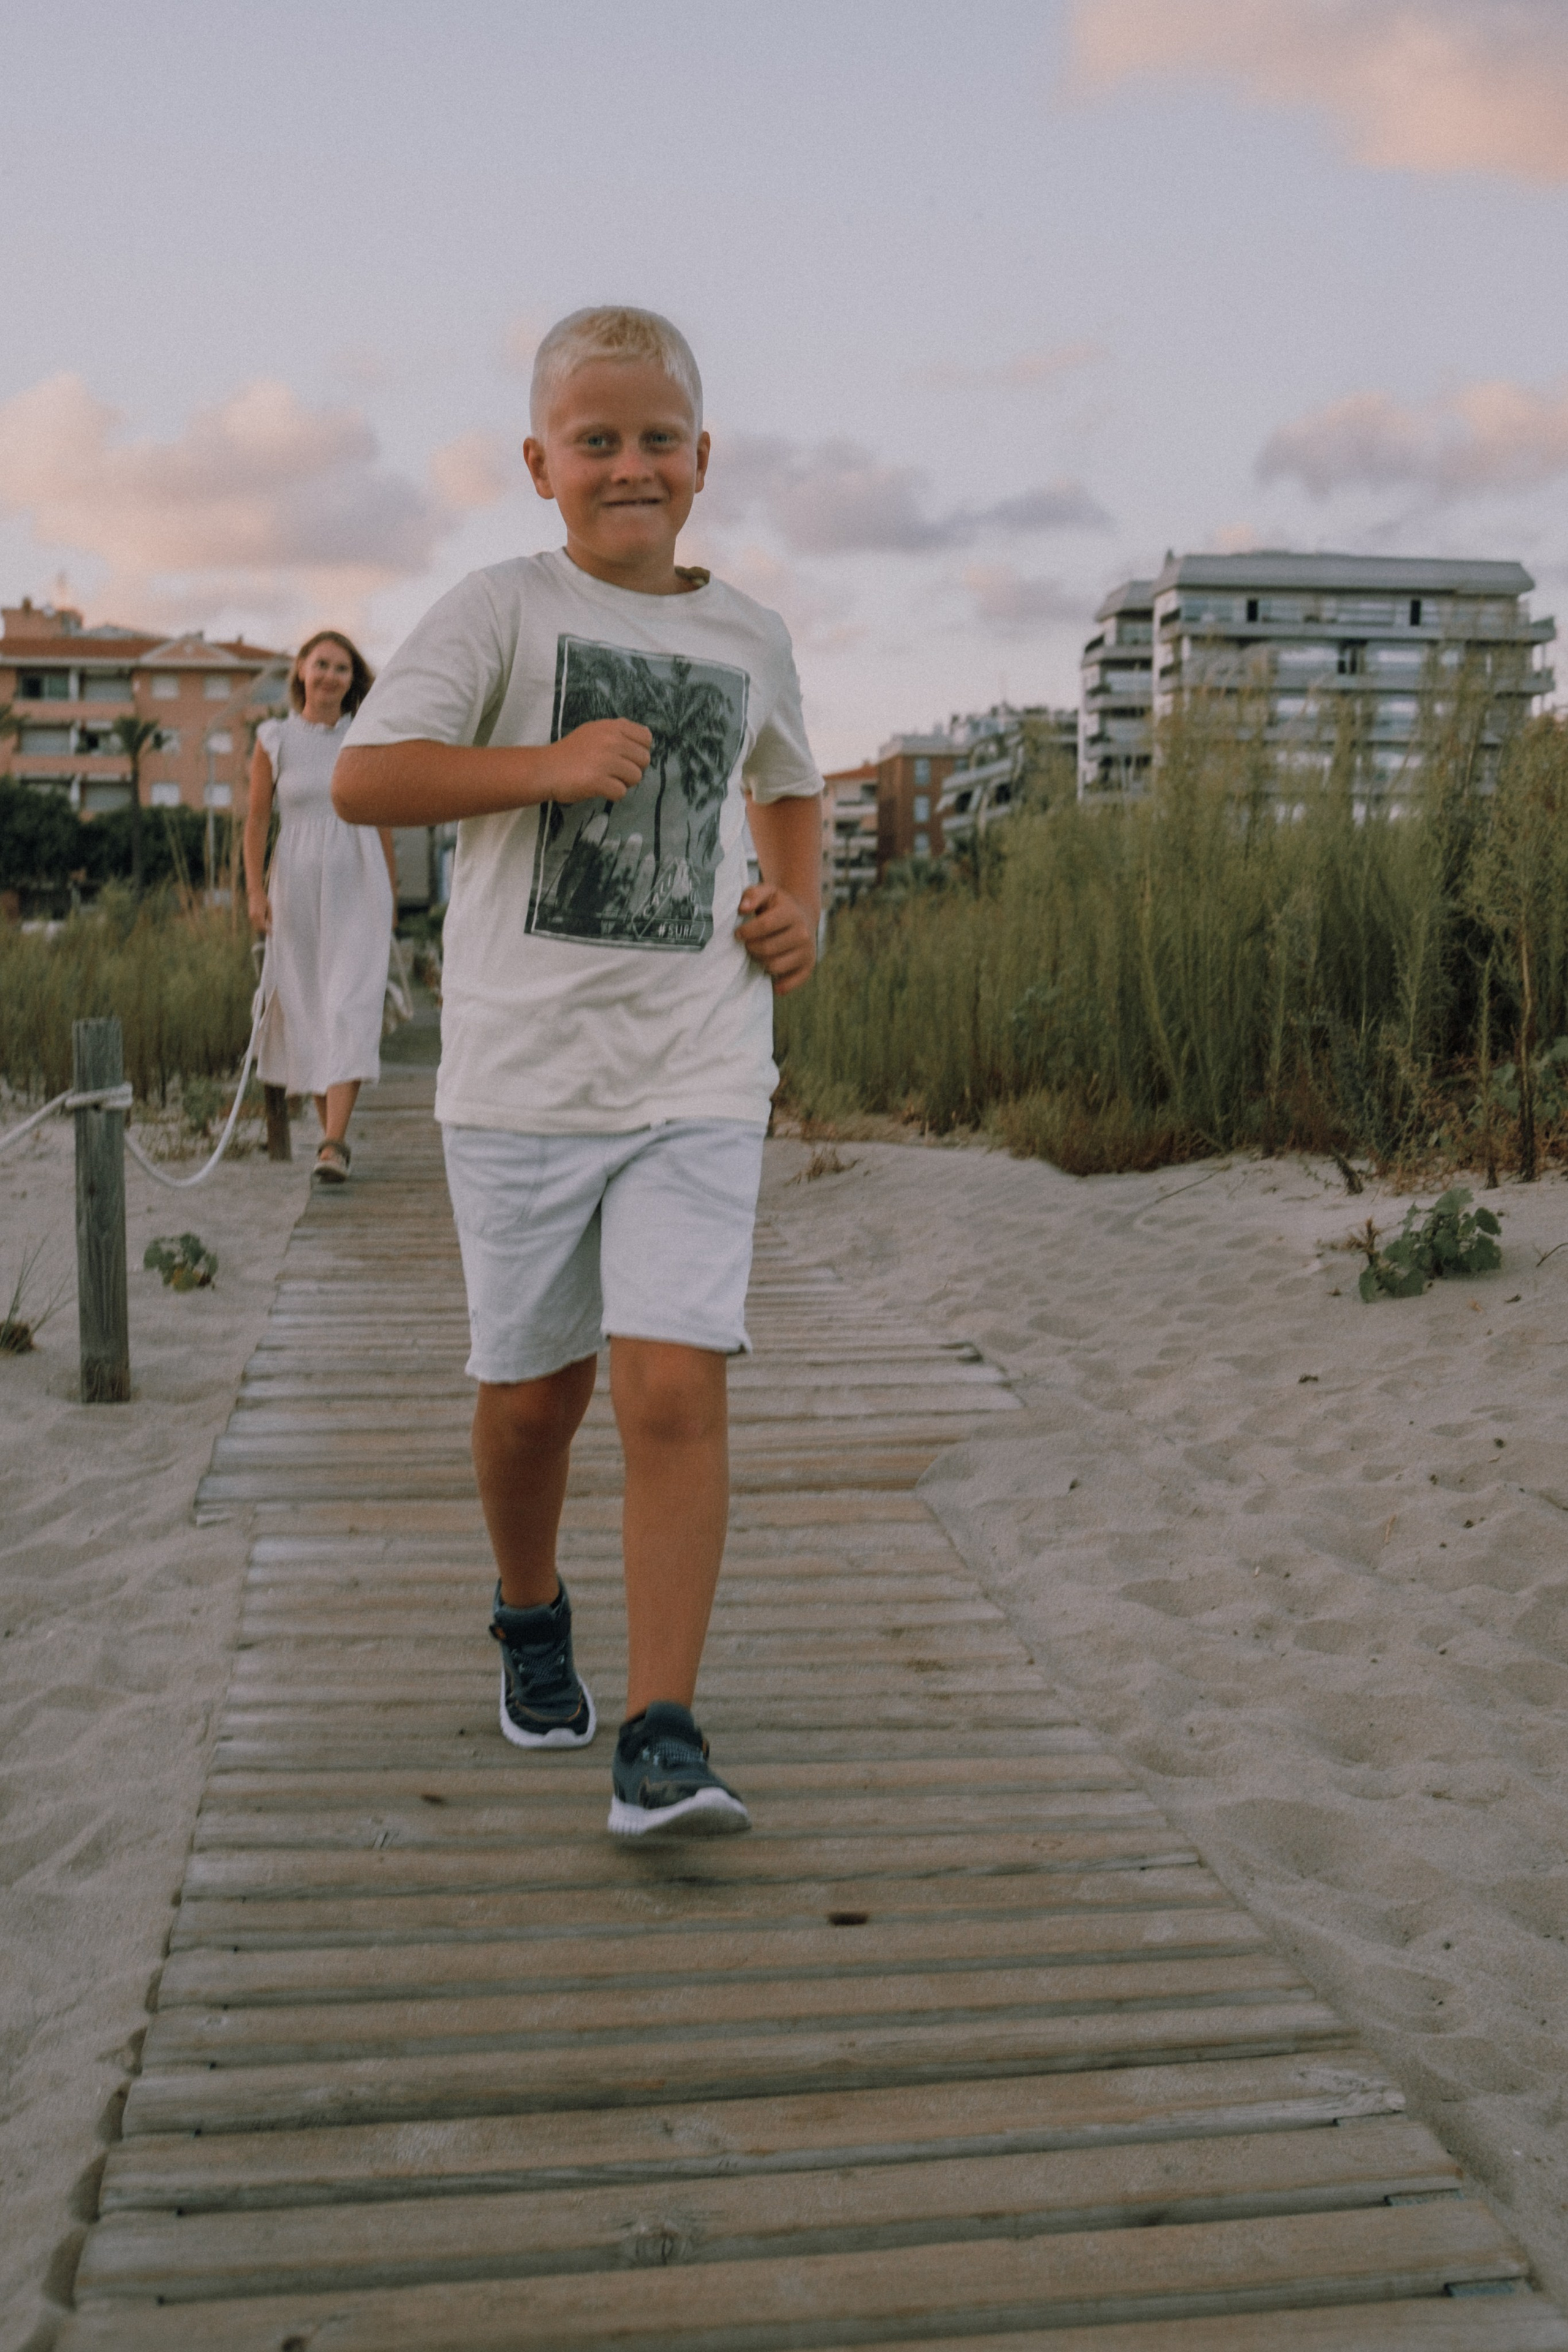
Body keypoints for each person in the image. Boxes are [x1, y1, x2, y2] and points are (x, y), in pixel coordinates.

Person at [333, 306, 823, 1838]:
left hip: (696, 1065)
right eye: (595, 441)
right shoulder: (498, 610)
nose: (629, 464)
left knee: (671, 1384)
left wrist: (797, 911)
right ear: (538, 462)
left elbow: (790, 785)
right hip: (523, 1077)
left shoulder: (748, 633)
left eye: (656, 438)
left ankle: (664, 1729)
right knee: (532, 1400)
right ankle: (529, 1608)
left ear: (702, 459)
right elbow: (365, 776)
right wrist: (541, 766)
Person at [244, 631, 398, 1183]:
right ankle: (329, 1142)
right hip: (295, 883)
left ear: (353, 680)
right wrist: (255, 892)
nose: (331, 675)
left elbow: (381, 815)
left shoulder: (366, 736)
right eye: (322, 664)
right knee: (308, 1004)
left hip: (359, 878)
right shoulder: (273, 739)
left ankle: (334, 1143)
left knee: (349, 1003)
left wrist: (391, 891)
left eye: (342, 668)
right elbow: (258, 820)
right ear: (302, 672)